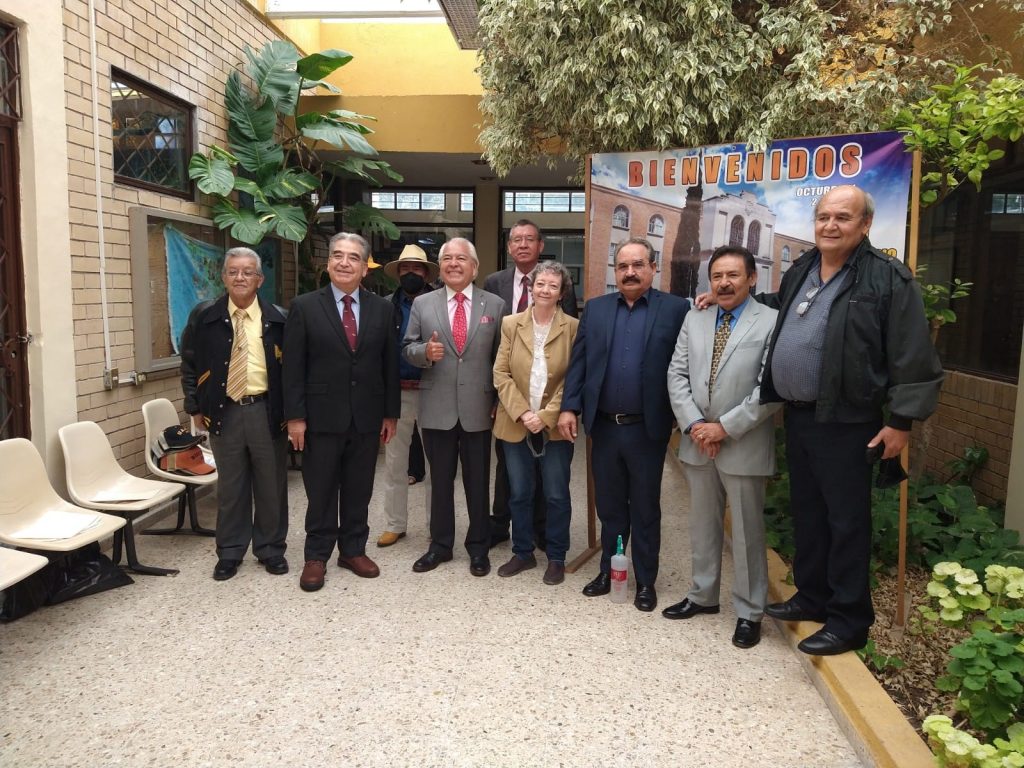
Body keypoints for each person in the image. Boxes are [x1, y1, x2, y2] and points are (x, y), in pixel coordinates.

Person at [708, 185, 943, 655]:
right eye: (823, 217)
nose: (830, 225)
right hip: (800, 417)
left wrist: (901, 421)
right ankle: (813, 596)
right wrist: (723, 299)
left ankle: (849, 620)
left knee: (846, 522)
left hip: (848, 422)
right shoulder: (804, 268)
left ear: (865, 224)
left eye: (842, 217)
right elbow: (780, 306)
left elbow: (912, 354)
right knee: (810, 514)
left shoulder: (887, 279)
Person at [558, 237, 689, 611]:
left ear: (653, 267)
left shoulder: (676, 309)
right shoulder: (596, 309)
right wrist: (569, 408)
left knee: (645, 507)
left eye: (638, 265)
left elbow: (687, 361)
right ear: (615, 271)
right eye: (623, 266)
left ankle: (646, 581)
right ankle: (608, 571)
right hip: (604, 428)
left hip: (647, 429)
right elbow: (580, 362)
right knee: (610, 506)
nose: (630, 272)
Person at [664, 246, 780, 648]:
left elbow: (770, 388)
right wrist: (696, 425)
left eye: (733, 275)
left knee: (747, 532)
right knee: (702, 524)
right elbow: (677, 373)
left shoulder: (771, 321)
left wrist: (724, 428)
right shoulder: (695, 318)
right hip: (697, 439)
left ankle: (750, 612)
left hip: (743, 441)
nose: (724, 283)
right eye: (717, 276)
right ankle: (702, 595)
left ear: (752, 278)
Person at [283, 232, 400, 592]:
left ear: (365, 268)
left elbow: (389, 364)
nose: (344, 262)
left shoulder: (382, 309)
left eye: (353, 257)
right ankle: (316, 556)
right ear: (328, 263)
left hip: (366, 416)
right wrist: (295, 417)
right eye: (337, 255)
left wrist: (390, 413)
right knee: (320, 490)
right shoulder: (305, 306)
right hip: (320, 417)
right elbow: (293, 367)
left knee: (358, 488)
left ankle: (352, 550)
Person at [180, 247, 289, 581]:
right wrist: (194, 405)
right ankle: (229, 552)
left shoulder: (279, 318)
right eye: (233, 271)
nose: (240, 277)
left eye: (247, 272)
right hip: (224, 411)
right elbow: (189, 362)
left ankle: (270, 549)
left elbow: (293, 369)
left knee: (271, 486)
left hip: (266, 410)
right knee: (231, 487)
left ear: (260, 279)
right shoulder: (205, 317)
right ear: (223, 277)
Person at [403, 237, 505, 577]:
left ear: (474, 267)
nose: (453, 264)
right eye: (447, 258)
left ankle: (478, 547)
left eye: (461, 258)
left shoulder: (495, 305)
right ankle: (440, 545)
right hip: (437, 407)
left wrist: (499, 400)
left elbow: (501, 359)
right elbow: (408, 347)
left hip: (479, 407)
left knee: (478, 482)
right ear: (440, 267)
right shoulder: (423, 304)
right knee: (440, 481)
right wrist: (424, 353)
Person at [484, 220, 580, 549]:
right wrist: (520, 410)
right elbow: (500, 368)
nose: (545, 290)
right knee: (516, 487)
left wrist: (549, 414)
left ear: (562, 292)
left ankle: (553, 549)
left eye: (553, 286)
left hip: (553, 418)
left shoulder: (573, 327)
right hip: (513, 412)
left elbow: (573, 373)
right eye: (540, 284)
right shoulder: (508, 316)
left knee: (555, 491)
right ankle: (518, 546)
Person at [376, 244, 437, 548]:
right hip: (396, 392)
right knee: (394, 463)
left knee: (436, 464)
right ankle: (394, 524)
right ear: (398, 273)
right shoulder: (385, 306)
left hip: (432, 391)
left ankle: (435, 525)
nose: (410, 273)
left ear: (425, 273)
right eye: (405, 268)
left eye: (416, 268)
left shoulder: (438, 304)